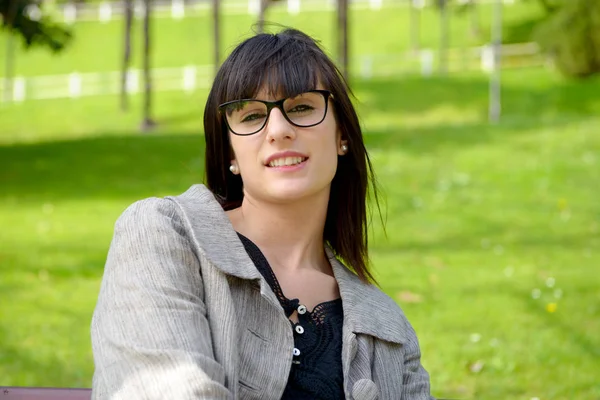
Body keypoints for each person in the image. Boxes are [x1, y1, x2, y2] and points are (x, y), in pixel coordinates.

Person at [91, 28, 434, 400]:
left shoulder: (387, 329)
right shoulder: (162, 236)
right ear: (230, 154)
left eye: (302, 107)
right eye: (252, 116)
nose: (279, 130)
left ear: (342, 137)